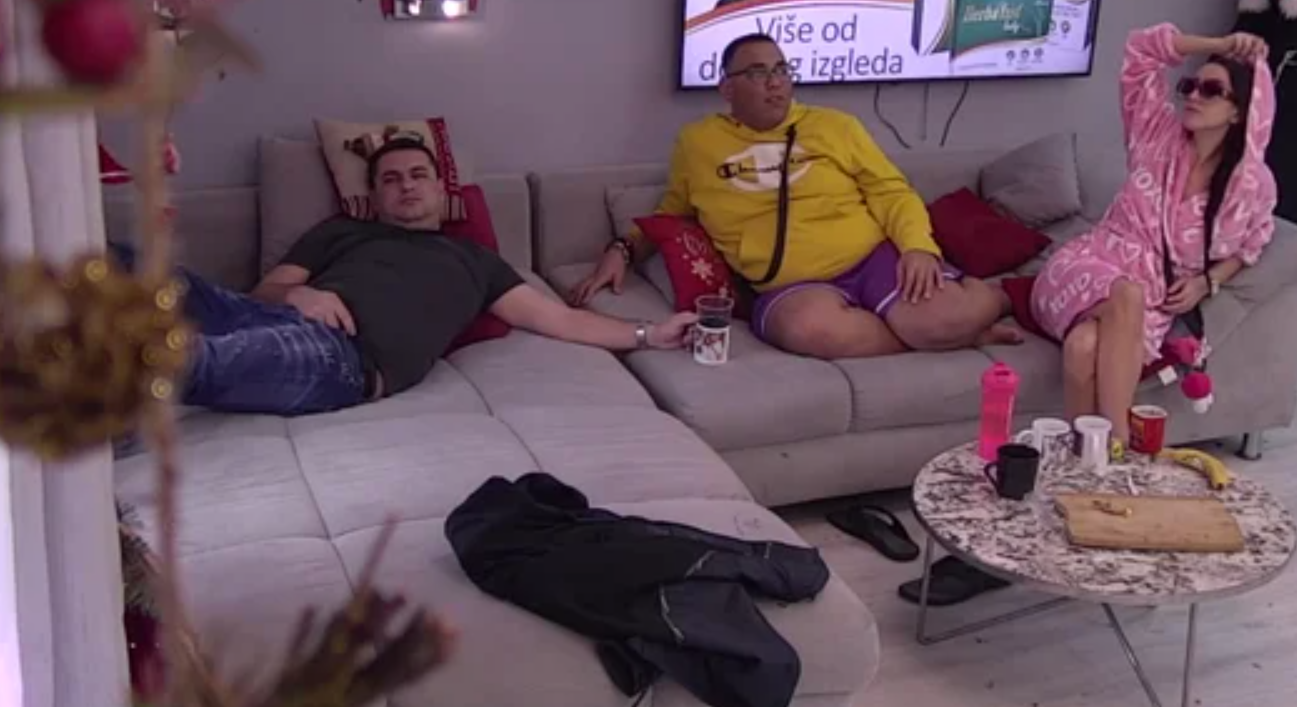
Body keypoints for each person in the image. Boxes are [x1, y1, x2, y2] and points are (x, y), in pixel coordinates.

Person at [113, 136, 696, 417]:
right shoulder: (341, 231)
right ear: (374, 196)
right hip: (274, 316)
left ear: (440, 189)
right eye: (391, 179)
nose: (407, 186)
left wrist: (650, 333)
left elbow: (562, 321)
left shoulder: (476, 262)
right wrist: (302, 293)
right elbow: (263, 294)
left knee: (194, 358)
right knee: (128, 263)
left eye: (418, 175)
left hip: (342, 359)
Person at [570, 33, 1020, 359]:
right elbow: (672, 212)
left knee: (941, 318)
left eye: (781, 70)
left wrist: (918, 247)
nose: (775, 82)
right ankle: (953, 337)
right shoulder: (697, 144)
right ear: (726, 88)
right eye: (758, 72)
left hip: (871, 258)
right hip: (791, 287)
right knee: (813, 332)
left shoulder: (835, 126)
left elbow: (890, 191)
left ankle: (998, 297)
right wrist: (622, 249)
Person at [1030, 23, 1277, 446]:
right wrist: (1218, 44)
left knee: (1084, 346)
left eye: (1211, 91)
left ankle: (1081, 459)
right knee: (1126, 293)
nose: (1194, 96)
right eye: (1190, 86)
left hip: (1151, 302)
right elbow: (1141, 50)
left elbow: (1256, 240)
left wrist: (1207, 281)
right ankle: (1120, 444)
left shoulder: (1251, 186)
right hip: (1085, 267)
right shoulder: (1155, 133)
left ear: (1240, 111)